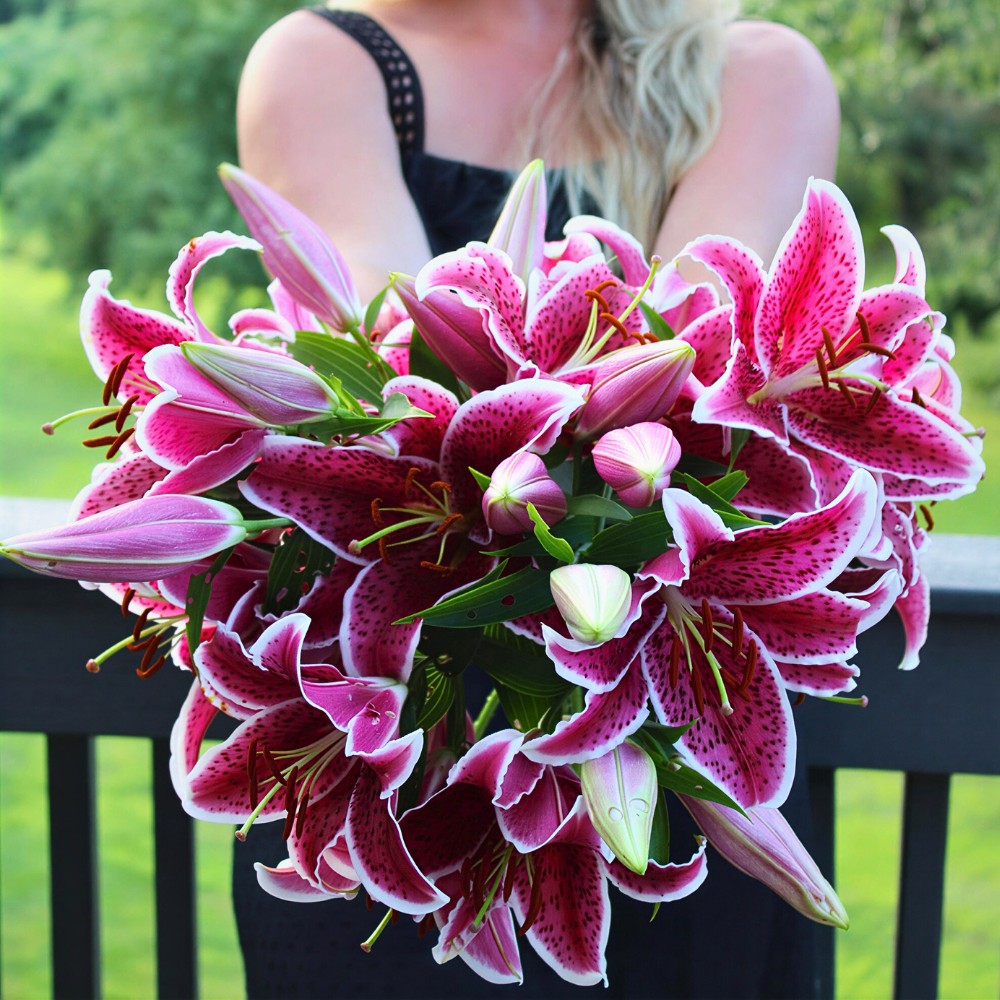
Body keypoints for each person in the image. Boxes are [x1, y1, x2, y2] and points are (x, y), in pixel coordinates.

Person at [230, 3, 840, 997]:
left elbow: (692, 363)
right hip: (384, 761)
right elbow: (395, 370)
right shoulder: (324, 60)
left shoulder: (754, 72)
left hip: (671, 735)